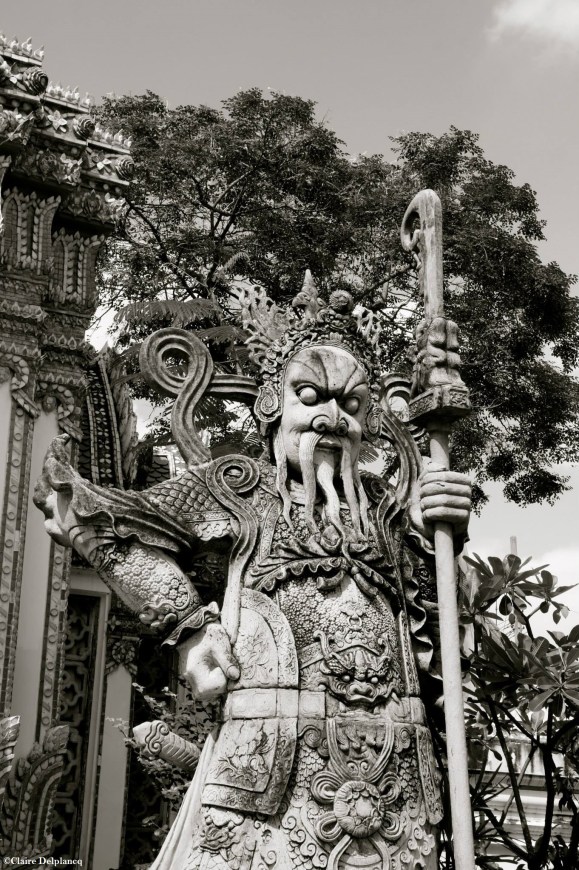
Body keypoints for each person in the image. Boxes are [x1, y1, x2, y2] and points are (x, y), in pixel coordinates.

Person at [34, 280, 471, 870]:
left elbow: (442, 644)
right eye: (311, 394)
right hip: (264, 791)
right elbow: (80, 511)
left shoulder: (390, 516)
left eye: (351, 405)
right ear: (272, 405)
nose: (331, 419)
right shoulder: (240, 490)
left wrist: (445, 531)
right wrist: (191, 626)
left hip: (394, 796)